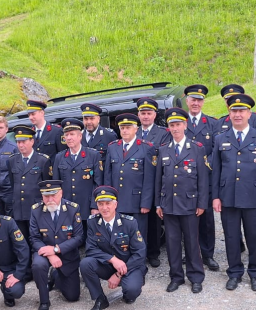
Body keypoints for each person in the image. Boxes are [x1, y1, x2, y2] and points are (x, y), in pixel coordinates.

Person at [211, 94, 256, 292]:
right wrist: (215, 196)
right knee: (231, 237)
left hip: (254, 197)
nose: (238, 114)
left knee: (255, 236)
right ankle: (235, 272)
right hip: (228, 196)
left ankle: (255, 273)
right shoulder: (220, 139)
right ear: (229, 114)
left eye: (241, 111)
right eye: (234, 111)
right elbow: (216, 170)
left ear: (249, 114)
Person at [155, 107, 210, 294]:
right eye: (172, 125)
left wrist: (202, 203)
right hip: (168, 205)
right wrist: (158, 203)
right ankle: (176, 276)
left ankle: (195, 277)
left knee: (192, 243)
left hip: (189, 204)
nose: (175, 128)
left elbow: (203, 179)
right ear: (168, 128)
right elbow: (158, 179)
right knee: (172, 243)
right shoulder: (163, 150)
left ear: (185, 125)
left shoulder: (196, 148)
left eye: (178, 124)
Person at [80, 186, 146, 310]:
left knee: (131, 291)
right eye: (100, 204)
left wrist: (118, 275)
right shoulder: (93, 222)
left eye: (108, 203)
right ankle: (100, 299)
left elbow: (140, 252)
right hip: (107, 265)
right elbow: (91, 249)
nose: (104, 208)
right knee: (86, 263)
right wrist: (112, 260)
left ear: (115, 204)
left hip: (129, 266)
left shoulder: (129, 223)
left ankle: (128, 290)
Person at [104, 113, 156, 266]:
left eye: (128, 128)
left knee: (138, 236)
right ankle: (121, 264)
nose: (125, 131)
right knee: (119, 235)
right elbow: (108, 176)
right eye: (122, 128)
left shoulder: (146, 148)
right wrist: (108, 200)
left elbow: (149, 179)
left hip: (136, 201)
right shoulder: (113, 147)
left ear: (136, 129)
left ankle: (138, 265)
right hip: (117, 202)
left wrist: (146, 203)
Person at [30, 180, 84, 310]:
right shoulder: (36, 210)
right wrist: (50, 254)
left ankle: (55, 275)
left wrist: (56, 249)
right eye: (46, 196)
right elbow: (34, 238)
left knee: (73, 296)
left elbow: (79, 238)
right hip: (44, 252)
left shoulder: (73, 209)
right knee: (38, 265)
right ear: (42, 196)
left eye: (53, 195)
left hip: (66, 253)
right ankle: (44, 301)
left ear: (61, 193)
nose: (50, 199)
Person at [182, 84, 219, 271]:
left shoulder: (212, 123)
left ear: (203, 101)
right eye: (192, 99)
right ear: (186, 101)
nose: (196, 103)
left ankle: (207, 254)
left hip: (205, 179)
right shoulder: (180, 121)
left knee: (206, 219)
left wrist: (204, 166)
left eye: (199, 100)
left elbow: (216, 150)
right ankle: (189, 252)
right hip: (184, 180)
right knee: (186, 217)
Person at [52, 118, 104, 240]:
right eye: (66, 135)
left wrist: (95, 206)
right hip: (67, 208)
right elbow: (56, 185)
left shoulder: (93, 155)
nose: (69, 138)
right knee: (69, 240)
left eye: (72, 134)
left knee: (89, 240)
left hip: (86, 206)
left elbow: (98, 183)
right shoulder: (59, 157)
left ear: (80, 136)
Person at [1, 125, 50, 249]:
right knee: (22, 243)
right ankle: (25, 267)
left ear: (32, 141)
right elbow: (14, 184)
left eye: (23, 141)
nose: (20, 145)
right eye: (18, 142)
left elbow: (47, 186)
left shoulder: (42, 160)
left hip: (36, 208)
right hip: (19, 208)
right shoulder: (12, 160)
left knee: (37, 240)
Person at [136, 97, 170, 267]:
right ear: (139, 115)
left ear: (155, 115)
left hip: (156, 182)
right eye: (143, 113)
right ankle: (138, 253)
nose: (146, 116)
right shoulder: (133, 131)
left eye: (149, 113)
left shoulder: (163, 133)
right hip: (136, 184)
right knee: (137, 223)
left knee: (154, 222)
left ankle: (153, 253)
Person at [0, 115, 19, 215]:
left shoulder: (13, 148)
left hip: (9, 191)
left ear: (6, 129)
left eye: (1, 127)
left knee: (10, 220)